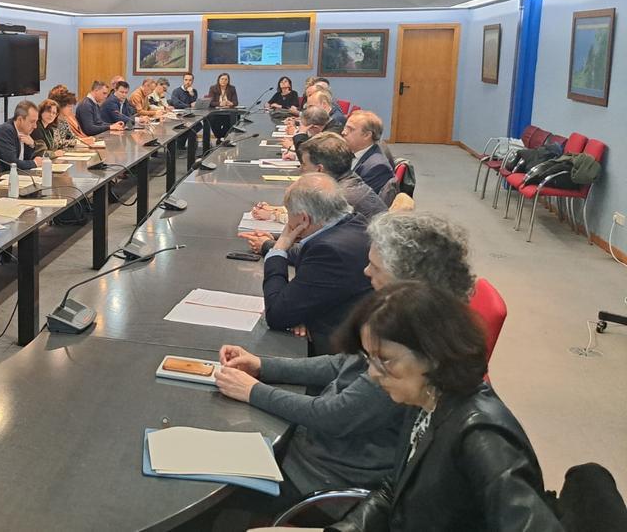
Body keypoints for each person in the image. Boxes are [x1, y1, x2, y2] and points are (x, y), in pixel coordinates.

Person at [217, 211, 478, 506]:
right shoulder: (405, 319)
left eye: (374, 266)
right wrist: (264, 365)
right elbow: (342, 363)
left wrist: (252, 391)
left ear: (404, 276)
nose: (366, 271)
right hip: (313, 452)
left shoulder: (410, 350)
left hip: (322, 478)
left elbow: (335, 415)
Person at [331, 281, 563, 531]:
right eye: (370, 358)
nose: (373, 373)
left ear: (432, 355)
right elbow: (396, 490)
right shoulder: (424, 398)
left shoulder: (482, 437)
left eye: (385, 360)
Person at [262, 173, 372, 353]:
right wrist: (300, 308)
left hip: (336, 349)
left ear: (304, 219)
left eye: (289, 214)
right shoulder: (356, 222)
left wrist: (279, 247)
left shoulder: (329, 251)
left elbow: (276, 315)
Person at [239, 132, 388, 255]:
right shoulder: (348, 181)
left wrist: (268, 245)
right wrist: (280, 237)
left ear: (319, 170)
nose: (300, 170)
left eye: (304, 164)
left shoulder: (340, 197)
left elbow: (313, 250)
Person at [344, 110, 395, 195]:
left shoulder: (377, 167)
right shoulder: (353, 151)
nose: (343, 132)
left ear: (367, 135)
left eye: (350, 129)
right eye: (345, 127)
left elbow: (359, 200)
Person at [0, 100, 44, 172]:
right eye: (32, 122)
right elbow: (11, 164)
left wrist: (32, 144)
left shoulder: (24, 131)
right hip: (0, 175)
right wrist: (34, 163)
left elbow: (25, 159)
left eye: (36, 122)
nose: (35, 126)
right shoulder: (6, 130)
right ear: (20, 119)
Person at [206, 73, 239, 142]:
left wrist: (231, 103)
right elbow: (210, 102)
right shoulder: (213, 88)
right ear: (218, 80)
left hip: (228, 112)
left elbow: (236, 102)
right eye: (222, 79)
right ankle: (220, 137)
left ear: (228, 81)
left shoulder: (232, 88)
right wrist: (220, 103)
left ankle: (223, 138)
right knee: (211, 119)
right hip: (216, 113)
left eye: (226, 79)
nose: (224, 81)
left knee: (233, 119)